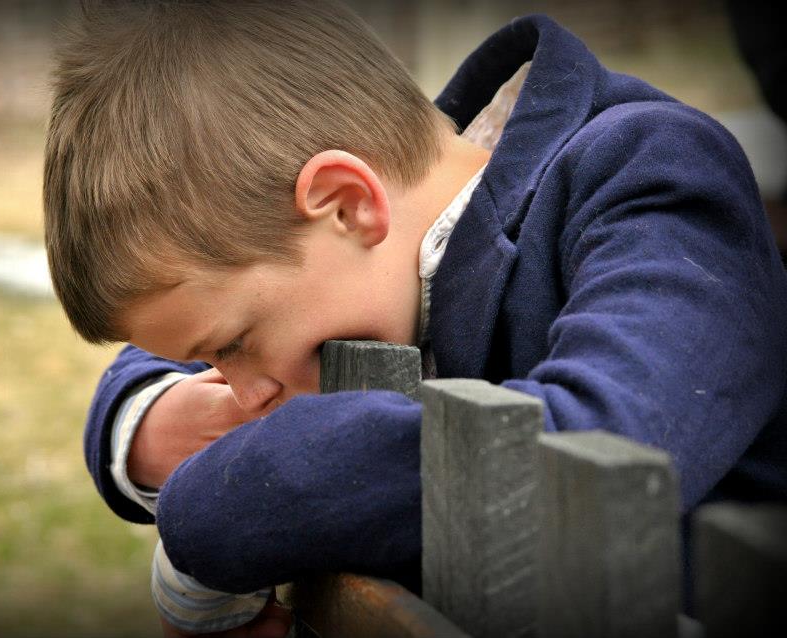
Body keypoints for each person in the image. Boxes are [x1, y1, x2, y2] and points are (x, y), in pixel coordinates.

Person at [43, 2, 787, 636]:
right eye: (214, 360)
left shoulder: (649, 175)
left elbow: (591, 462)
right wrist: (146, 423)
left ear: (346, 202)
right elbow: (152, 369)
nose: (240, 393)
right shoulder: (379, 237)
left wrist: (212, 509)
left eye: (235, 346)